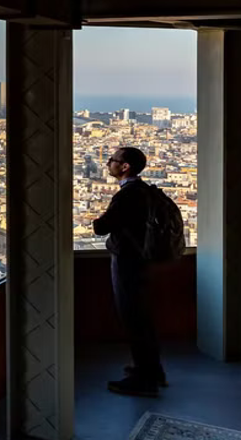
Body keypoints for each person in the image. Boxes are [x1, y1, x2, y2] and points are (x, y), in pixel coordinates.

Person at [93, 147, 166, 398]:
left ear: (125, 167)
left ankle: (144, 380)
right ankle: (151, 370)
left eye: (113, 160)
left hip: (127, 261)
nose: (109, 163)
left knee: (132, 316)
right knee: (142, 316)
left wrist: (96, 220)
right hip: (142, 259)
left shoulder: (128, 195)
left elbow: (102, 227)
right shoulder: (145, 190)